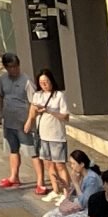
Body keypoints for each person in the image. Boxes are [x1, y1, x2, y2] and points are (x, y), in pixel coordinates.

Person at [0, 54, 36, 191]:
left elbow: (33, 102)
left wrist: (29, 120)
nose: (14, 70)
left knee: (32, 151)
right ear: (6, 67)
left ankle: (40, 181)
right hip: (9, 120)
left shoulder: (26, 81)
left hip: (23, 121)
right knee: (13, 149)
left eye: (16, 66)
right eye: (11, 67)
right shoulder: (3, 79)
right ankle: (14, 177)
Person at [28, 68, 72, 200]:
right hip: (43, 135)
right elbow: (32, 111)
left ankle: (67, 192)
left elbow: (65, 116)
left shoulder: (59, 95)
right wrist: (31, 118)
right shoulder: (37, 95)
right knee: (48, 164)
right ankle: (55, 189)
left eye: (46, 81)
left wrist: (49, 110)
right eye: (41, 82)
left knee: (60, 164)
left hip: (57, 135)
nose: (44, 84)